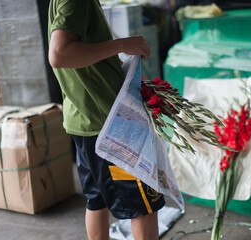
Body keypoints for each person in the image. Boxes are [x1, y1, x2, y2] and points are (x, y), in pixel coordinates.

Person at [48, 0, 165, 239]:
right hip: (111, 125)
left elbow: (83, 57)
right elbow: (59, 54)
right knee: (143, 204)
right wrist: (123, 44)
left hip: (83, 119)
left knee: (96, 198)